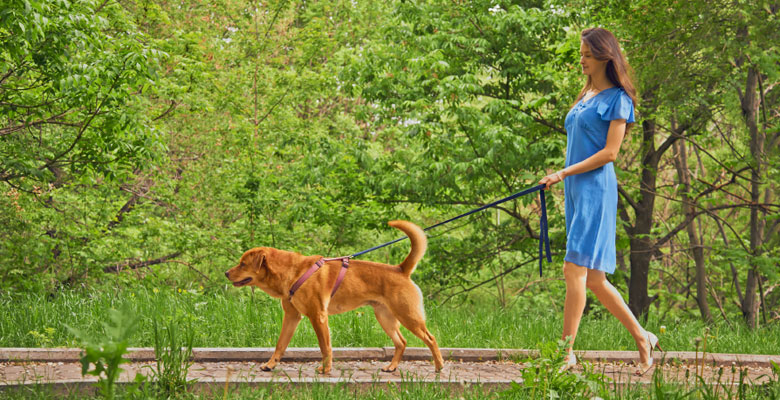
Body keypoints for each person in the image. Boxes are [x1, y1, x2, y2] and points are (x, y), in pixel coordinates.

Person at [538, 27, 661, 375]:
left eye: (588, 55)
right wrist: (563, 178)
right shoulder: (588, 93)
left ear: (606, 57)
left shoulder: (618, 99)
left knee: (572, 269)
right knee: (593, 279)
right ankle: (642, 337)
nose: (582, 60)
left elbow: (610, 153)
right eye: (581, 54)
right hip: (575, 190)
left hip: (594, 189)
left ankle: (565, 353)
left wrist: (562, 173)